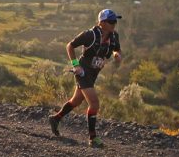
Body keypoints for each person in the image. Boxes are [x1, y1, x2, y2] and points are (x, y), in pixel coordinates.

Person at [48, 9, 123, 147]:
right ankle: (93, 138)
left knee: (76, 101)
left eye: (115, 21)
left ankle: (56, 118)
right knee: (94, 103)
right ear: (102, 22)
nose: (114, 24)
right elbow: (70, 45)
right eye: (111, 21)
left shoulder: (114, 36)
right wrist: (75, 65)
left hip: (94, 73)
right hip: (83, 72)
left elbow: (116, 49)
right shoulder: (90, 35)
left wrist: (116, 54)